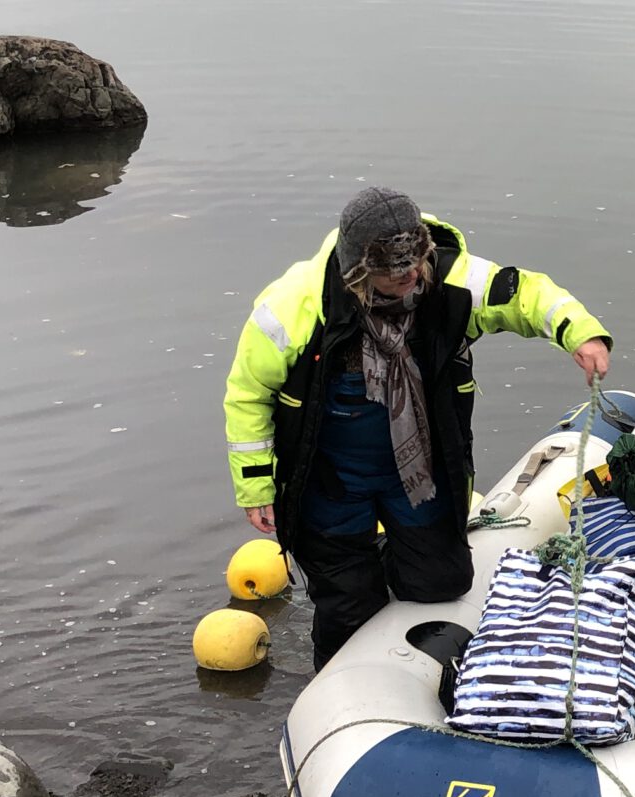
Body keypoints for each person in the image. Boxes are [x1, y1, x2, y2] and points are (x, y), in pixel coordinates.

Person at [224, 187, 612, 666]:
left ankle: (389, 554)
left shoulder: (449, 278)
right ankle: (337, 654)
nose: (411, 276)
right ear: (359, 271)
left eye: (416, 265)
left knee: (443, 583)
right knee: (346, 607)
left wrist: (581, 333)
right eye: (395, 272)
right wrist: (256, 487)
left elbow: (526, 295)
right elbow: (247, 396)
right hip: (329, 478)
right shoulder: (293, 306)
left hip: (417, 472)